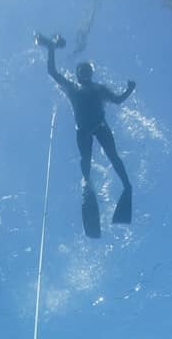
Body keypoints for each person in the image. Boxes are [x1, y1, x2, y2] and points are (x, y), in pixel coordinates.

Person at [37, 33, 135, 232]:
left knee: (113, 156)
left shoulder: (100, 89)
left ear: (91, 73)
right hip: (82, 131)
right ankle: (87, 183)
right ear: (77, 73)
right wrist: (51, 50)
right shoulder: (71, 87)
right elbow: (52, 72)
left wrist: (129, 89)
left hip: (100, 126)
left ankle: (127, 186)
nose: (85, 73)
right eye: (82, 71)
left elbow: (117, 100)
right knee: (86, 159)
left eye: (87, 70)